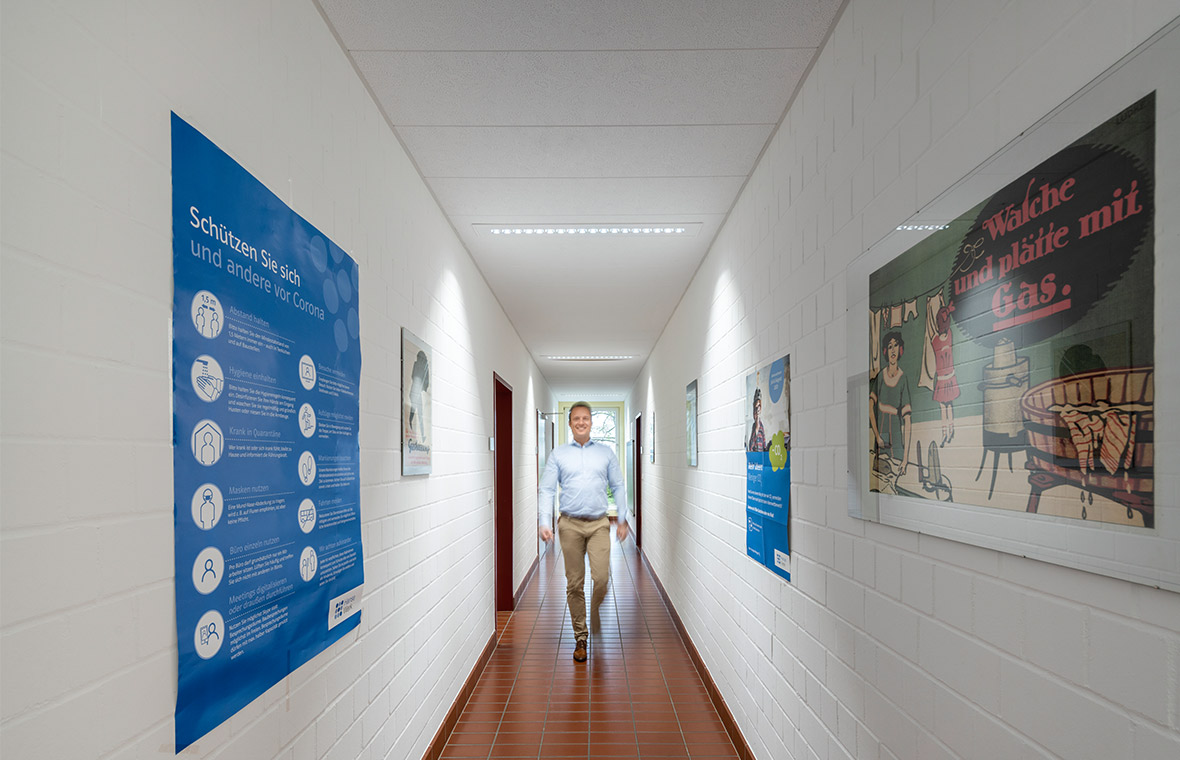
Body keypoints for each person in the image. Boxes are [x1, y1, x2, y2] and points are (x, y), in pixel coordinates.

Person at [538, 402, 629, 662]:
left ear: (591, 422)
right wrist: (544, 522)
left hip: (599, 523)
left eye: (585, 418)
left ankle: (595, 611)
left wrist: (623, 519)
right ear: (570, 423)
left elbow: (618, 485)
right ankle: (581, 636)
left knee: (601, 578)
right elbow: (546, 489)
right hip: (569, 524)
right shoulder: (558, 454)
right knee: (574, 583)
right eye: (576, 418)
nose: (581, 422)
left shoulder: (605, 453)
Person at [869, 331, 912, 476]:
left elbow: (907, 420)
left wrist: (905, 459)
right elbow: (870, 406)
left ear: (900, 349)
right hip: (881, 441)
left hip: (897, 442)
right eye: (890, 346)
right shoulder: (881, 377)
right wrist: (877, 436)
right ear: (885, 351)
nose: (893, 350)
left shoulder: (903, 378)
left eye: (896, 345)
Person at [931, 306, 960, 446]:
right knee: (949, 405)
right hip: (950, 377)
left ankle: (944, 433)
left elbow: (933, 335)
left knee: (943, 407)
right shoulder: (950, 335)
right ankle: (951, 429)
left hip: (942, 379)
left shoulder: (935, 341)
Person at [746, 387, 766, 452]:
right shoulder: (754, 426)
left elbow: (764, 445)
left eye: (759, 407)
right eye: (756, 407)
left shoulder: (761, 426)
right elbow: (751, 446)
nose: (757, 409)